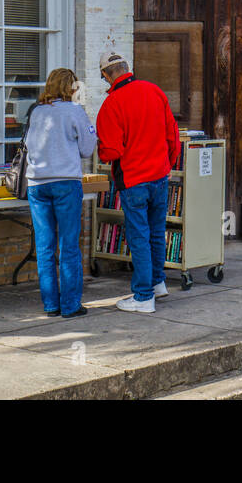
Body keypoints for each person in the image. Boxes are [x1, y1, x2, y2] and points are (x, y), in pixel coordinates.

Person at [95, 50, 180, 313]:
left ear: (107, 75)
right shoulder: (154, 91)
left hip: (134, 178)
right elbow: (172, 136)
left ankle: (143, 297)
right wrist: (168, 165)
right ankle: (157, 283)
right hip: (159, 175)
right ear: (127, 68)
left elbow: (112, 151)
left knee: (138, 236)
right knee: (155, 232)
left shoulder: (112, 104)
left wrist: (100, 148)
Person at [24, 67, 97, 319]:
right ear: (71, 88)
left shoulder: (36, 111)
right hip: (66, 182)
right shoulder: (75, 111)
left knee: (44, 247)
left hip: (37, 184)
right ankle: (70, 305)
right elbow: (88, 149)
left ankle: (50, 305)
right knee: (69, 245)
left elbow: (29, 146)